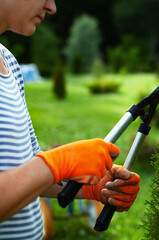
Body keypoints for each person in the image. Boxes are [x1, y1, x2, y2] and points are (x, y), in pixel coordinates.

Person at [0, 0, 140, 239]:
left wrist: (93, 187)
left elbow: (28, 171)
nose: (52, 7)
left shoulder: (8, 61)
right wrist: (57, 163)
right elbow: (44, 169)